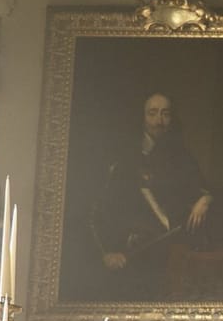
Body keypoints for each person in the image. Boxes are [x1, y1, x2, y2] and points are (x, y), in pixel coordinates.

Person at [86, 92, 215, 301]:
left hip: (167, 247)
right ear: (142, 117)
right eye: (152, 114)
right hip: (131, 251)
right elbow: (99, 210)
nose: (159, 121)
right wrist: (107, 252)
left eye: (165, 114)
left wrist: (205, 200)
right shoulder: (125, 158)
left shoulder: (180, 156)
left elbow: (200, 188)